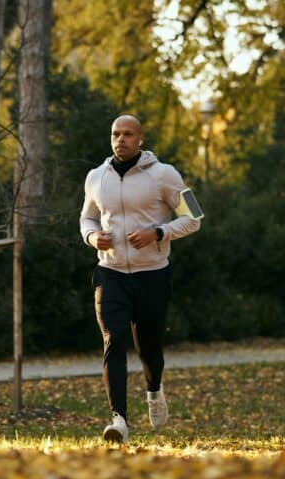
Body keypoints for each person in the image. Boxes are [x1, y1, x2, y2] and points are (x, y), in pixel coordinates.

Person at [79, 114, 202, 443]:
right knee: (114, 340)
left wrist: (158, 232)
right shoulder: (95, 177)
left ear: (141, 139)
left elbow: (195, 216)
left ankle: (154, 389)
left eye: (128, 134)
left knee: (149, 347)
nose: (120, 139)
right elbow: (86, 218)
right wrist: (93, 238)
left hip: (152, 275)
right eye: (115, 134)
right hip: (110, 272)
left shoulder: (165, 175)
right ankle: (118, 420)